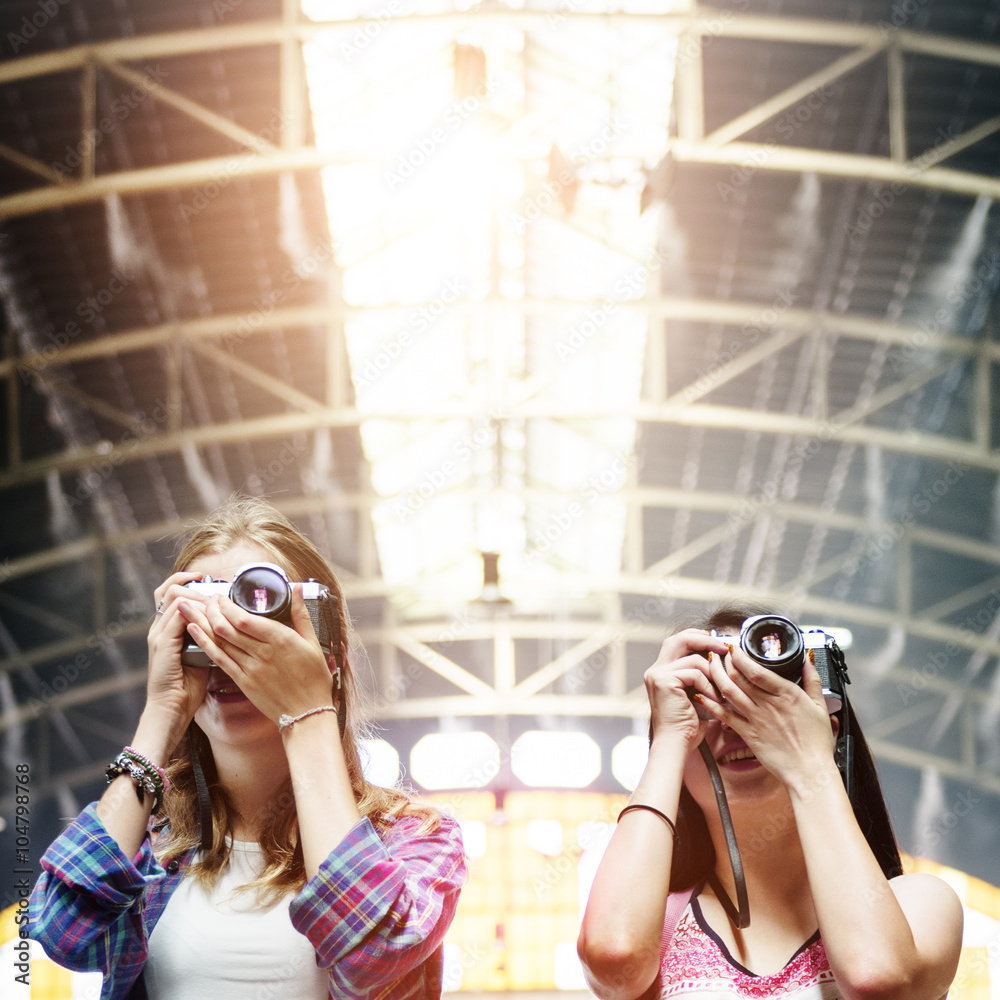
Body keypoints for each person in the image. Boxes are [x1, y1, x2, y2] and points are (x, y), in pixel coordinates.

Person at [31, 497, 467, 1000]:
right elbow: (63, 932)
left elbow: (370, 950)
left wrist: (306, 710)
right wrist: (161, 712)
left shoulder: (415, 839)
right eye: (202, 623)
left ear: (329, 652)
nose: (226, 650)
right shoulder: (151, 848)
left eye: (261, 615)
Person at [577, 603, 964, 1000]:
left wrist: (811, 764)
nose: (734, 722)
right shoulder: (654, 926)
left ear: (826, 730)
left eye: (759, 696)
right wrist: (669, 738)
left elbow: (877, 979)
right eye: (708, 700)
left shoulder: (919, 906)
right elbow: (615, 961)